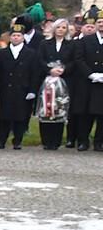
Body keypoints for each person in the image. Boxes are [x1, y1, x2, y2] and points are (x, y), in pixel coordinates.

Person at [0, 16, 37, 149]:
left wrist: (32, 90)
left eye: (19, 35)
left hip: (22, 89)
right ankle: (1, 140)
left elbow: (34, 73)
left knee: (20, 116)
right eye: (14, 35)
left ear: (23, 37)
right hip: (6, 88)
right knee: (4, 116)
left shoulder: (30, 53)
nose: (16, 38)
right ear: (10, 37)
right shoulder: (2, 53)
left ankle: (17, 140)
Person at [37, 19, 73, 150]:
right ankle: (46, 140)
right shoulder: (44, 43)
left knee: (59, 109)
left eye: (64, 27)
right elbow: (40, 59)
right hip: (47, 80)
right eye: (58, 27)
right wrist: (50, 70)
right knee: (46, 109)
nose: (61, 30)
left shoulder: (71, 44)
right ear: (54, 28)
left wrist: (63, 70)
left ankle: (56, 140)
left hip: (63, 81)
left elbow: (74, 61)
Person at [73, 6, 103, 151]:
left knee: (102, 115)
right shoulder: (85, 40)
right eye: (100, 22)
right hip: (87, 82)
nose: (102, 25)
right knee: (85, 114)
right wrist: (90, 74)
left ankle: (99, 142)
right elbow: (79, 59)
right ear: (96, 25)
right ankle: (83, 141)